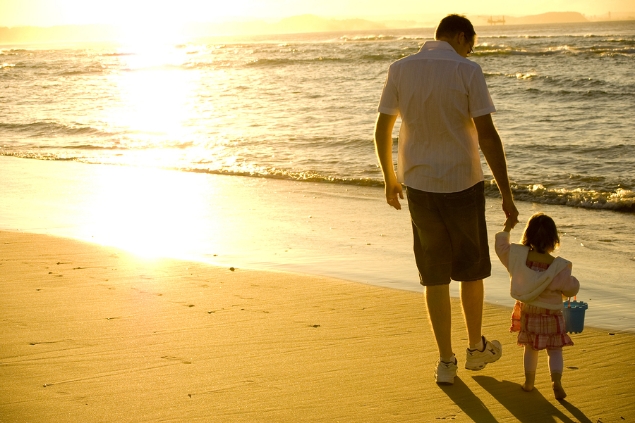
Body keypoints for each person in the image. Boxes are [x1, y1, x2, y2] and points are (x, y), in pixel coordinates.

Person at [374, 14, 519, 385]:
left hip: (419, 185)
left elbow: (382, 129)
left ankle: (445, 363)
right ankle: (475, 348)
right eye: (471, 45)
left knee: (434, 275)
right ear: (460, 36)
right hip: (462, 183)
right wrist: (506, 193)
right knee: (471, 270)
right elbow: (488, 135)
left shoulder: (400, 69)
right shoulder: (467, 70)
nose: (470, 52)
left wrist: (390, 179)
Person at [495, 213, 580, 400]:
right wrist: (573, 283)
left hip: (530, 311)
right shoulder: (558, 267)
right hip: (552, 313)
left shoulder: (518, 259)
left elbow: (501, 247)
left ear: (528, 236)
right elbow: (571, 288)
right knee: (555, 349)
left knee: (531, 347)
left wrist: (508, 227)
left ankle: (529, 382)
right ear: (554, 240)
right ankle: (556, 381)